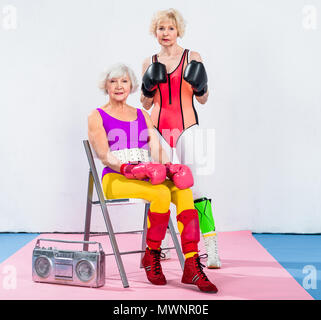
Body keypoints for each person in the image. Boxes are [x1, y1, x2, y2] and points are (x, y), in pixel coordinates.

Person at [87, 63, 218, 293]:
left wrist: (169, 167)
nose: (119, 86)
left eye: (124, 81)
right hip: (116, 178)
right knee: (160, 193)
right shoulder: (96, 116)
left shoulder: (142, 115)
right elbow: (104, 155)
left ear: (132, 86)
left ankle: (191, 264)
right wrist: (128, 168)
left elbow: (156, 149)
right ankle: (152, 256)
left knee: (183, 190)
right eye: (113, 81)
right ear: (105, 85)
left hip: (147, 173)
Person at [140, 8, 221, 268]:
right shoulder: (149, 61)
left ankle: (210, 247)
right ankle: (158, 246)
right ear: (155, 31)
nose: (166, 33)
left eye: (170, 29)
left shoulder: (192, 57)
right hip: (158, 128)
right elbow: (145, 102)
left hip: (187, 127)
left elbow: (203, 99)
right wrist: (146, 85)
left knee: (197, 189)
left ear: (178, 31)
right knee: (159, 188)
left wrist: (202, 86)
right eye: (161, 28)